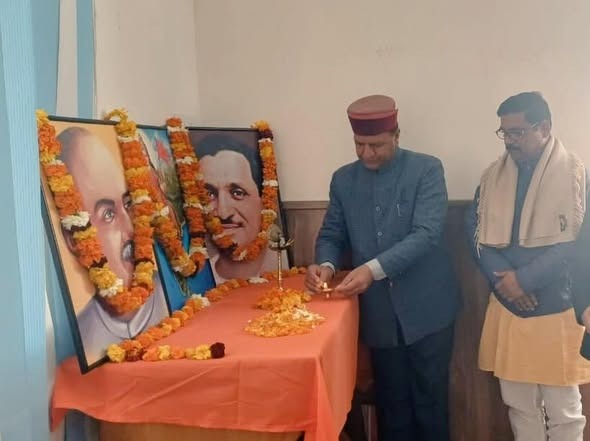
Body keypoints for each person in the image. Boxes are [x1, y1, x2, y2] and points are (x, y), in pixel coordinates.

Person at [305, 94, 459, 441]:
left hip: (428, 310)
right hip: (379, 315)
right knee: (392, 407)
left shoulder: (426, 170)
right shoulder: (343, 179)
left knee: (431, 404)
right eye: (359, 145)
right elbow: (332, 233)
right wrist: (325, 264)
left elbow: (426, 234)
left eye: (376, 145)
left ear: (396, 136)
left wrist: (371, 270)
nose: (366, 153)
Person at [465, 91, 590, 441]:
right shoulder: (493, 177)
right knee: (519, 405)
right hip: (508, 305)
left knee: (564, 411)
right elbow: (474, 231)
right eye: (504, 133)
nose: (509, 141)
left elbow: (578, 243)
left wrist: (524, 280)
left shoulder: (576, 176)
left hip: (557, 306)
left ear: (544, 128)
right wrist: (503, 282)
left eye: (517, 132)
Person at [57, 126, 169, 365]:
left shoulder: (170, 295)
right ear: (75, 239)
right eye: (108, 214)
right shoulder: (86, 337)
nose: (131, 229)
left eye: (128, 204)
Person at [195, 133, 279, 282]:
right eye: (210, 194)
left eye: (237, 193)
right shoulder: (198, 279)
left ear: (265, 201)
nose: (223, 213)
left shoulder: (281, 267)